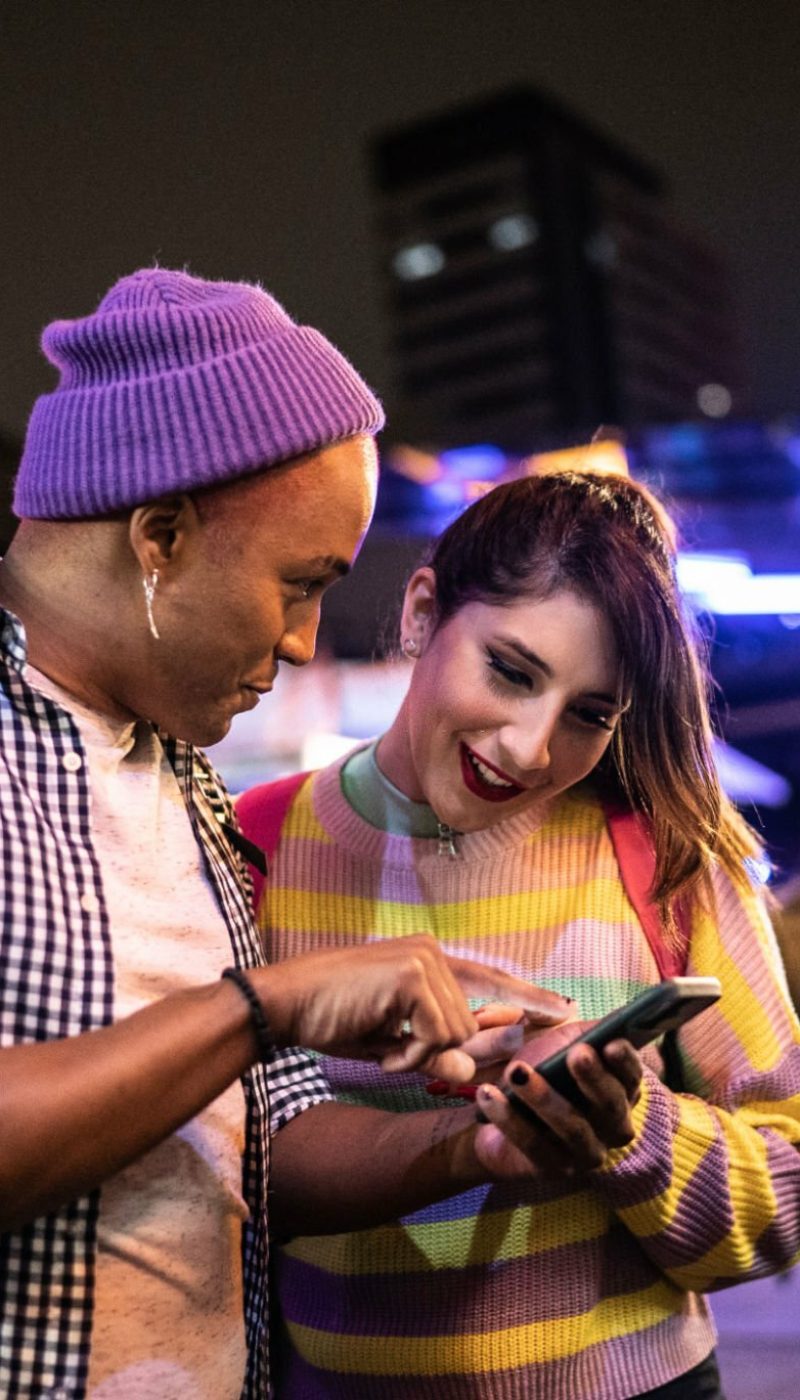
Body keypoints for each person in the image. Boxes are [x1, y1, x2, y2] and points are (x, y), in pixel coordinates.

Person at [0, 267, 579, 1400]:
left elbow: (254, 1147)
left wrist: (477, 1143)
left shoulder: (177, 772)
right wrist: (265, 1005)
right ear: (159, 533)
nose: (309, 641)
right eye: (298, 583)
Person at [239, 468, 800, 1399]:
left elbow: (785, 1196)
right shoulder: (254, 844)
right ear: (422, 613)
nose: (531, 748)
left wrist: (630, 1132)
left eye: (590, 714)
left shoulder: (662, 859)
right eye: (510, 670)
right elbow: (211, 1179)